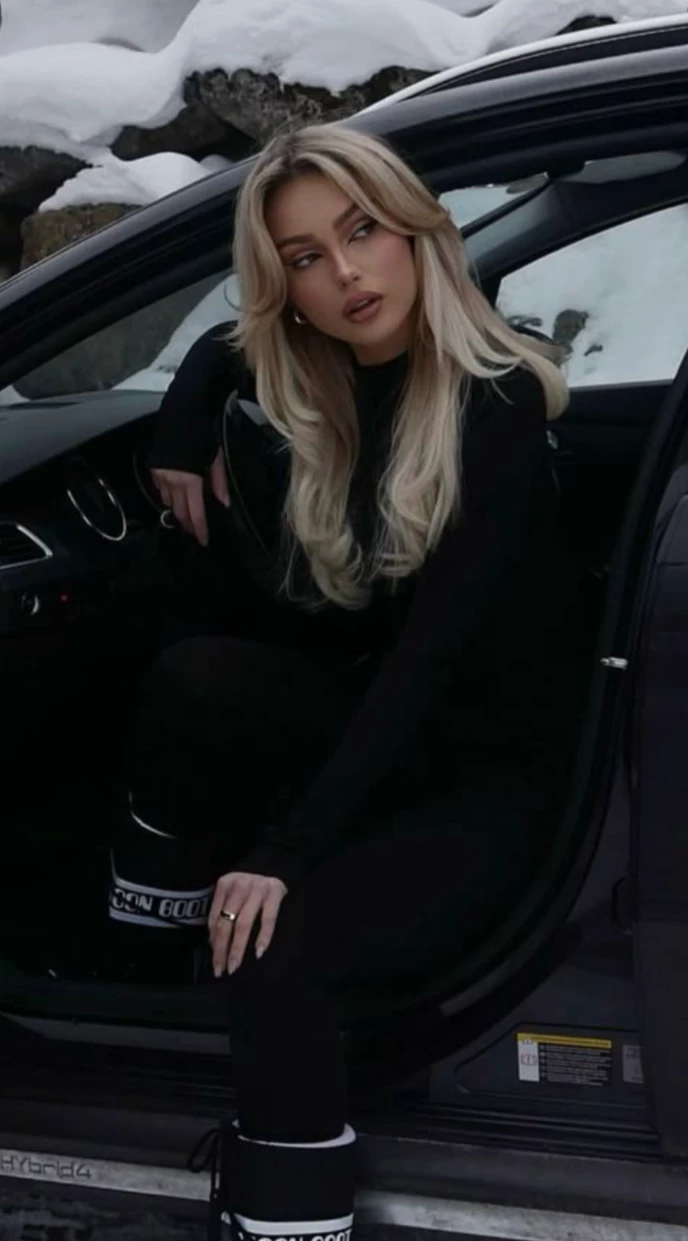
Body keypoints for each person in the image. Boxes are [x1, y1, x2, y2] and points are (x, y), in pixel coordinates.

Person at [107, 123, 594, 1241]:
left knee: (276, 956)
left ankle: (288, 1220)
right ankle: (145, 982)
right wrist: (181, 426)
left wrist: (286, 853)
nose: (345, 274)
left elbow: (429, 660)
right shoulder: (341, 372)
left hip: (498, 780)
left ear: (418, 230)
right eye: (306, 258)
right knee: (192, 682)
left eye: (362, 230)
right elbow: (231, 347)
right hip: (407, 733)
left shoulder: (495, 401)